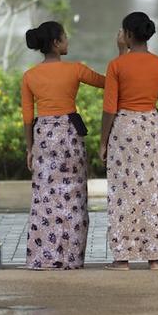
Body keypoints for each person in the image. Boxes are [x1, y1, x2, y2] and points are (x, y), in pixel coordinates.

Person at [21, 21, 105, 270]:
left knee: (45, 197)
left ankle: (43, 257)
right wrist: (123, 54)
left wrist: (29, 148)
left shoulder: (30, 76)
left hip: (44, 136)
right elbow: (108, 82)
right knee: (73, 195)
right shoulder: (75, 70)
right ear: (56, 44)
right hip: (69, 134)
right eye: (65, 37)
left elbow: (27, 116)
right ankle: (70, 258)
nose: (68, 40)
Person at [99, 12, 158, 271]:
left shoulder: (116, 65)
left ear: (128, 35)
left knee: (123, 192)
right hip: (150, 127)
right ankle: (155, 258)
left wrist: (102, 142)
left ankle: (122, 258)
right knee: (152, 189)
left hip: (124, 129)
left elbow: (110, 107)